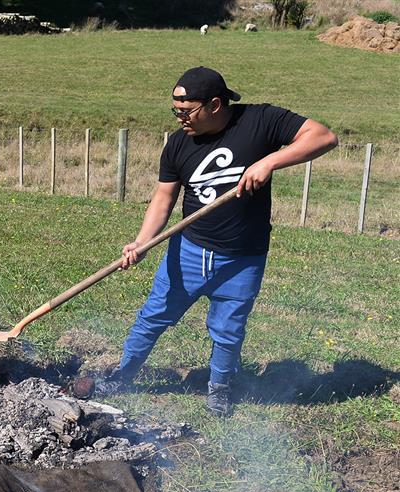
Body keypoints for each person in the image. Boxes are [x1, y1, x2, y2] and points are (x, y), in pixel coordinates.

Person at [101, 67, 337, 415]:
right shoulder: (178, 144)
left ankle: (220, 388)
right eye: (175, 111)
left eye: (186, 111)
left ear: (214, 104)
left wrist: (269, 161)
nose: (180, 118)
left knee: (228, 330)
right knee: (152, 317)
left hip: (243, 257)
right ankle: (123, 376)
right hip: (189, 251)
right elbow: (163, 198)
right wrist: (141, 241)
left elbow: (323, 137)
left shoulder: (261, 120)